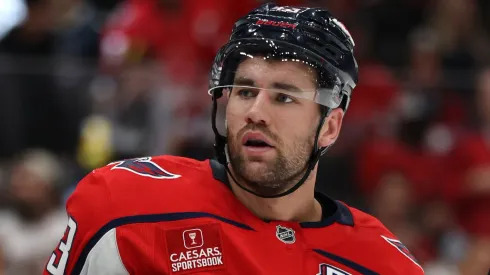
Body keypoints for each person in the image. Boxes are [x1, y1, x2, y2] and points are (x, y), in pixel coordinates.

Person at [43, 3, 424, 274]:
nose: (256, 111)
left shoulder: (384, 265)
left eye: (284, 97)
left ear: (329, 126)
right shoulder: (123, 206)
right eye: (244, 91)